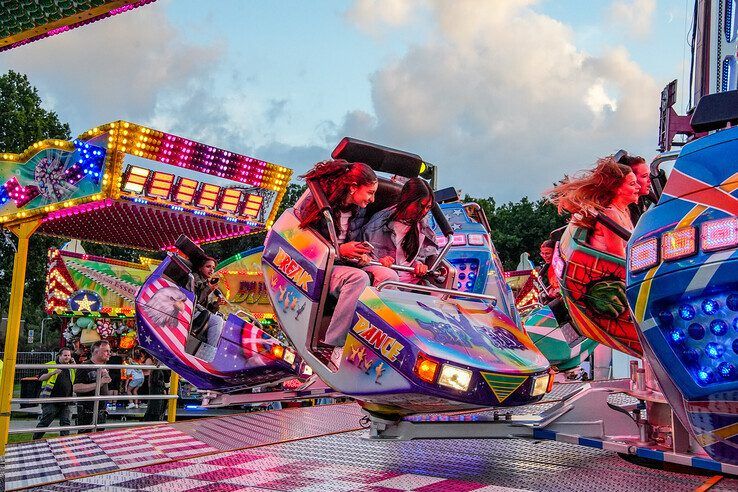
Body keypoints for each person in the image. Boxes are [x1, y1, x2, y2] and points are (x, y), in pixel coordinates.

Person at [296, 160, 378, 369]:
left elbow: (353, 243)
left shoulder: (358, 212)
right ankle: (334, 344)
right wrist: (340, 251)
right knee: (358, 278)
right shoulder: (320, 208)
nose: (372, 199)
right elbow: (304, 243)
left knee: (388, 276)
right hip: (320, 267)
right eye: (369, 192)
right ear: (353, 187)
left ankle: (371, 341)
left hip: (344, 264)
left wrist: (361, 255)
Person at [545, 156, 639, 258]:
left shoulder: (624, 210)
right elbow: (620, 260)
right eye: (632, 184)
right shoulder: (611, 215)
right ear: (616, 188)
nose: (638, 187)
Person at [361, 177, 438, 285]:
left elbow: (418, 257)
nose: (423, 212)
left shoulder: (422, 228)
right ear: (407, 200)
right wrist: (380, 261)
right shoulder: (379, 223)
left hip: (410, 281)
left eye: (428, 207)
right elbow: (366, 257)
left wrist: (419, 265)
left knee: (441, 294)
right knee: (389, 276)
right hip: (386, 279)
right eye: (421, 206)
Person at [33, 347, 75, 440]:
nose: (67, 357)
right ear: (59, 356)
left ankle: (64, 441)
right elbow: (40, 378)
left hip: (66, 399)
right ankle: (35, 439)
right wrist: (52, 373)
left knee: (66, 422)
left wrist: (75, 365)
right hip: (50, 398)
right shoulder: (50, 365)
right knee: (46, 420)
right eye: (65, 355)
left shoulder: (71, 367)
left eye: (69, 355)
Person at [191, 255, 227, 361]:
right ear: (200, 268)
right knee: (217, 321)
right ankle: (208, 356)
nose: (211, 270)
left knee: (223, 323)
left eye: (213, 268)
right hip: (189, 311)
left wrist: (216, 305)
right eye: (208, 266)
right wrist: (208, 289)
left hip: (199, 313)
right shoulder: (194, 278)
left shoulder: (206, 283)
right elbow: (194, 300)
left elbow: (205, 309)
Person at [73, 340, 112, 432]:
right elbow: (76, 387)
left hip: (101, 410)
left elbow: (106, 382)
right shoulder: (85, 366)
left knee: (99, 439)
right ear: (96, 352)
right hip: (87, 411)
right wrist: (100, 383)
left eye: (109, 351)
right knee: (85, 440)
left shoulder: (104, 366)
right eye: (106, 351)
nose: (109, 353)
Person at [618, 153, 656, 225]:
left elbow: (660, 200)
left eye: (649, 175)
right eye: (644, 176)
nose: (649, 179)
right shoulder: (628, 209)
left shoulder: (643, 197)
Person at [143, 357, 169, 421]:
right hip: (158, 391)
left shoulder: (155, 369)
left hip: (155, 390)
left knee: (153, 406)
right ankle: (154, 420)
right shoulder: (157, 370)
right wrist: (164, 387)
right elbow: (156, 380)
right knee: (156, 407)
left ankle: (151, 420)